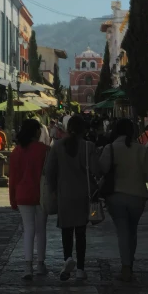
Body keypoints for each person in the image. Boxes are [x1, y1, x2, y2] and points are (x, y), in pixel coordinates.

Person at [99, 118, 148, 282]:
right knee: (132, 231)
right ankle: (129, 265)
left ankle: (126, 266)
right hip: (137, 198)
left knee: (122, 231)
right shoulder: (141, 150)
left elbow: (101, 170)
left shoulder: (110, 148)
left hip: (116, 197)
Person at [45, 114, 98, 282]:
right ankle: (81, 268)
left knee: (66, 231)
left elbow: (49, 171)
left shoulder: (58, 146)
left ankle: (67, 260)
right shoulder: (88, 147)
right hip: (83, 195)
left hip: (64, 194)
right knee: (81, 233)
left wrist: (53, 189)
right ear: (83, 130)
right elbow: (97, 170)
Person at [9, 118, 50, 281]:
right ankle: (40, 264)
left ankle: (28, 267)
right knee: (41, 230)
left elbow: (13, 178)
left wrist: (12, 199)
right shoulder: (45, 150)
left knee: (28, 230)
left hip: (23, 194)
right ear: (37, 132)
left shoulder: (16, 152)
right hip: (41, 195)